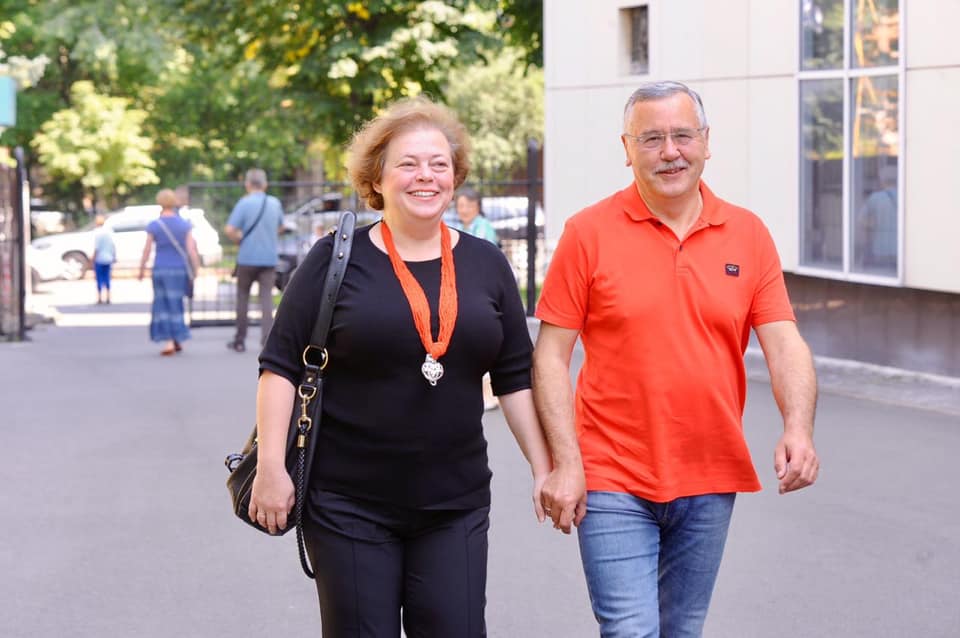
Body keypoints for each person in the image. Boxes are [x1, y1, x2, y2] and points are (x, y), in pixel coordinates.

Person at [251, 96, 552, 637]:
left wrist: (545, 469)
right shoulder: (334, 259)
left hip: (455, 504)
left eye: (439, 164)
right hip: (348, 503)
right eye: (408, 164)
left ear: (455, 177)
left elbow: (514, 378)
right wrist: (272, 467)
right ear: (377, 178)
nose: (425, 176)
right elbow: (280, 367)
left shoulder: (486, 263)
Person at [533, 81, 820, 637]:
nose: (670, 152)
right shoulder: (587, 233)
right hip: (612, 473)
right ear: (627, 149)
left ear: (706, 142)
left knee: (681, 630)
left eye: (683, 136)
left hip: (710, 472)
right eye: (652, 138)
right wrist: (565, 462)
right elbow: (550, 355)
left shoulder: (748, 234)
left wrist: (798, 428)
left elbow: (784, 343)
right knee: (630, 629)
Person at [224, 168, 284, 353]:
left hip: (247, 258)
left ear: (247, 184)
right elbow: (281, 227)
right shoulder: (274, 203)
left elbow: (230, 229)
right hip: (269, 258)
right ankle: (267, 340)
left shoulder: (244, 203)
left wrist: (240, 239)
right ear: (265, 184)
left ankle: (240, 339)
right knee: (266, 299)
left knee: (243, 297)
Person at [453, 186, 501, 411]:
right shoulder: (465, 227)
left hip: (484, 290)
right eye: (460, 205)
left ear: (477, 207)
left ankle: (490, 394)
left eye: (468, 205)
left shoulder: (483, 228)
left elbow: (480, 262)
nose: (463, 210)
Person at [138, 189, 200, 356]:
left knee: (162, 304)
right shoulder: (184, 224)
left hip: (160, 269)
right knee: (176, 303)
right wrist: (195, 269)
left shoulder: (155, 225)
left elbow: (147, 249)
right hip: (179, 269)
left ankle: (169, 341)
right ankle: (177, 337)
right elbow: (191, 250)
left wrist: (141, 269)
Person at [92, 214, 116, 304]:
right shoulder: (109, 232)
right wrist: (114, 256)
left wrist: (92, 259)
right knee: (107, 278)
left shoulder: (97, 232)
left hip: (99, 259)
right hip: (108, 258)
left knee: (99, 279)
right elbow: (113, 246)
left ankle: (99, 298)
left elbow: (96, 248)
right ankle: (108, 297)